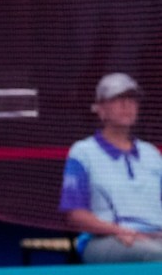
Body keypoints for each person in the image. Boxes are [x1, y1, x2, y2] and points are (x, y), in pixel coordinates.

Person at [59, 72, 162, 262]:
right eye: (117, 99)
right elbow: (75, 215)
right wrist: (119, 230)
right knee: (156, 255)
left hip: (155, 237)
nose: (126, 105)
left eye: (132, 100)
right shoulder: (83, 152)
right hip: (106, 239)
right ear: (100, 109)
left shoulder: (152, 154)